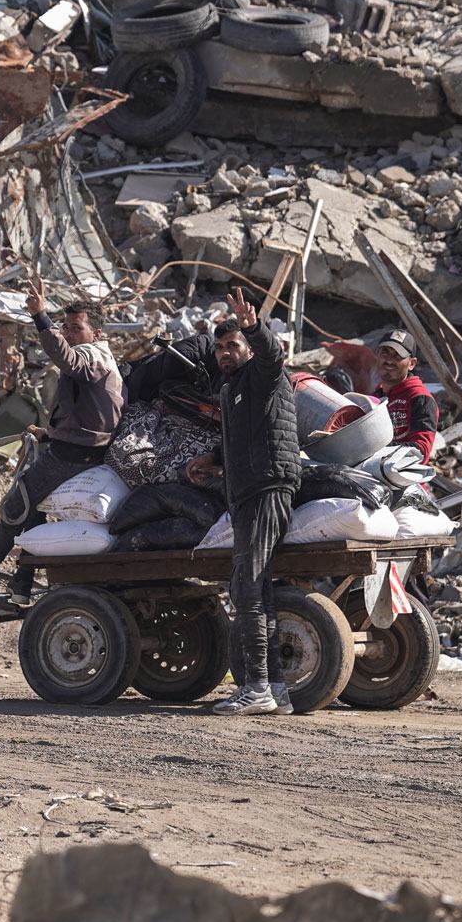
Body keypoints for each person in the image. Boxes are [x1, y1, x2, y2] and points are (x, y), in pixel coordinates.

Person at [0, 272, 124, 596]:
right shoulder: (101, 360)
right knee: (33, 505)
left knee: (17, 503)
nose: (68, 333)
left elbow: (69, 360)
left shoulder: (92, 355)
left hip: (74, 455)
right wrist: (49, 433)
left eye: (75, 328)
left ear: (96, 333)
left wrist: (41, 317)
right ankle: (22, 583)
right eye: (65, 327)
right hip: (76, 448)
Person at [184, 288, 301, 716]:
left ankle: (256, 688)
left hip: (265, 489)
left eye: (232, 345)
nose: (224, 353)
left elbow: (273, 358)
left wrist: (255, 326)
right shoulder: (234, 388)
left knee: (247, 590)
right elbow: (250, 437)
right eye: (218, 348)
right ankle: (273, 688)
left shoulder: (261, 374)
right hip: (251, 490)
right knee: (257, 592)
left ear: (248, 348)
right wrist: (213, 460)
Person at [373, 330, 438, 460]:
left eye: (398, 355)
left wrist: (376, 449)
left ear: (412, 363)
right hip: (370, 472)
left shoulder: (420, 398)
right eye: (385, 353)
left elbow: (421, 451)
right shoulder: (373, 398)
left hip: (399, 478)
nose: (389, 361)